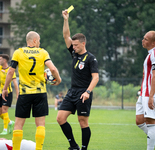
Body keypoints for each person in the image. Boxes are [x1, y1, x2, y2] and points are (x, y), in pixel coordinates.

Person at [2, 31, 61, 150]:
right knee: (40, 124)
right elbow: (53, 68)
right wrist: (58, 80)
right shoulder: (43, 52)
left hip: (24, 93)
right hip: (40, 93)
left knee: (18, 124)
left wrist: (5, 88)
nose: (39, 43)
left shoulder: (18, 52)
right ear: (34, 40)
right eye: (38, 40)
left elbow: (10, 71)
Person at [56, 10, 99, 150]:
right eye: (72, 45)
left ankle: (84, 148)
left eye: (76, 45)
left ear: (83, 43)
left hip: (83, 93)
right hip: (72, 91)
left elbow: (96, 77)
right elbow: (66, 35)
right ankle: (73, 146)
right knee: (60, 118)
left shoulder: (91, 58)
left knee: (82, 122)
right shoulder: (74, 53)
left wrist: (87, 92)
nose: (73, 47)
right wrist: (66, 19)